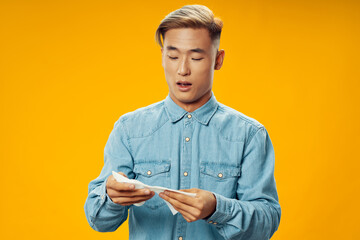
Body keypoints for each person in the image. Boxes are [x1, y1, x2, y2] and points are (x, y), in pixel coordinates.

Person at [84, 4, 281, 240]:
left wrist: (217, 208)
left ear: (218, 60)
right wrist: (111, 196)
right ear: (162, 57)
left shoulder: (249, 135)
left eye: (196, 57)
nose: (182, 69)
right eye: (173, 56)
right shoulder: (129, 129)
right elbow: (98, 220)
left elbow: (267, 222)